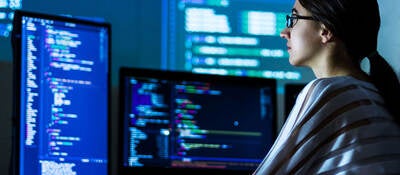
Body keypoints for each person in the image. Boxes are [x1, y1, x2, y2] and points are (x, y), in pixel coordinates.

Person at [252, 0, 400, 174]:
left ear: (325, 31)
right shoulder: (376, 93)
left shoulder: (329, 92)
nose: (284, 32)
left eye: (293, 19)